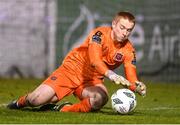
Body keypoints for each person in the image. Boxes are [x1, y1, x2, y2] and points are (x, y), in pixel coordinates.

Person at [7, 11, 146, 113]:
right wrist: (111, 75)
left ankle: (63, 109)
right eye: (122, 28)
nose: (125, 33)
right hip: (72, 69)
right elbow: (95, 61)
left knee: (100, 99)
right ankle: (20, 102)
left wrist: (137, 86)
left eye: (129, 30)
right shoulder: (99, 35)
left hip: (92, 80)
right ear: (114, 24)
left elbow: (131, 76)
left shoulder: (129, 50)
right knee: (36, 100)